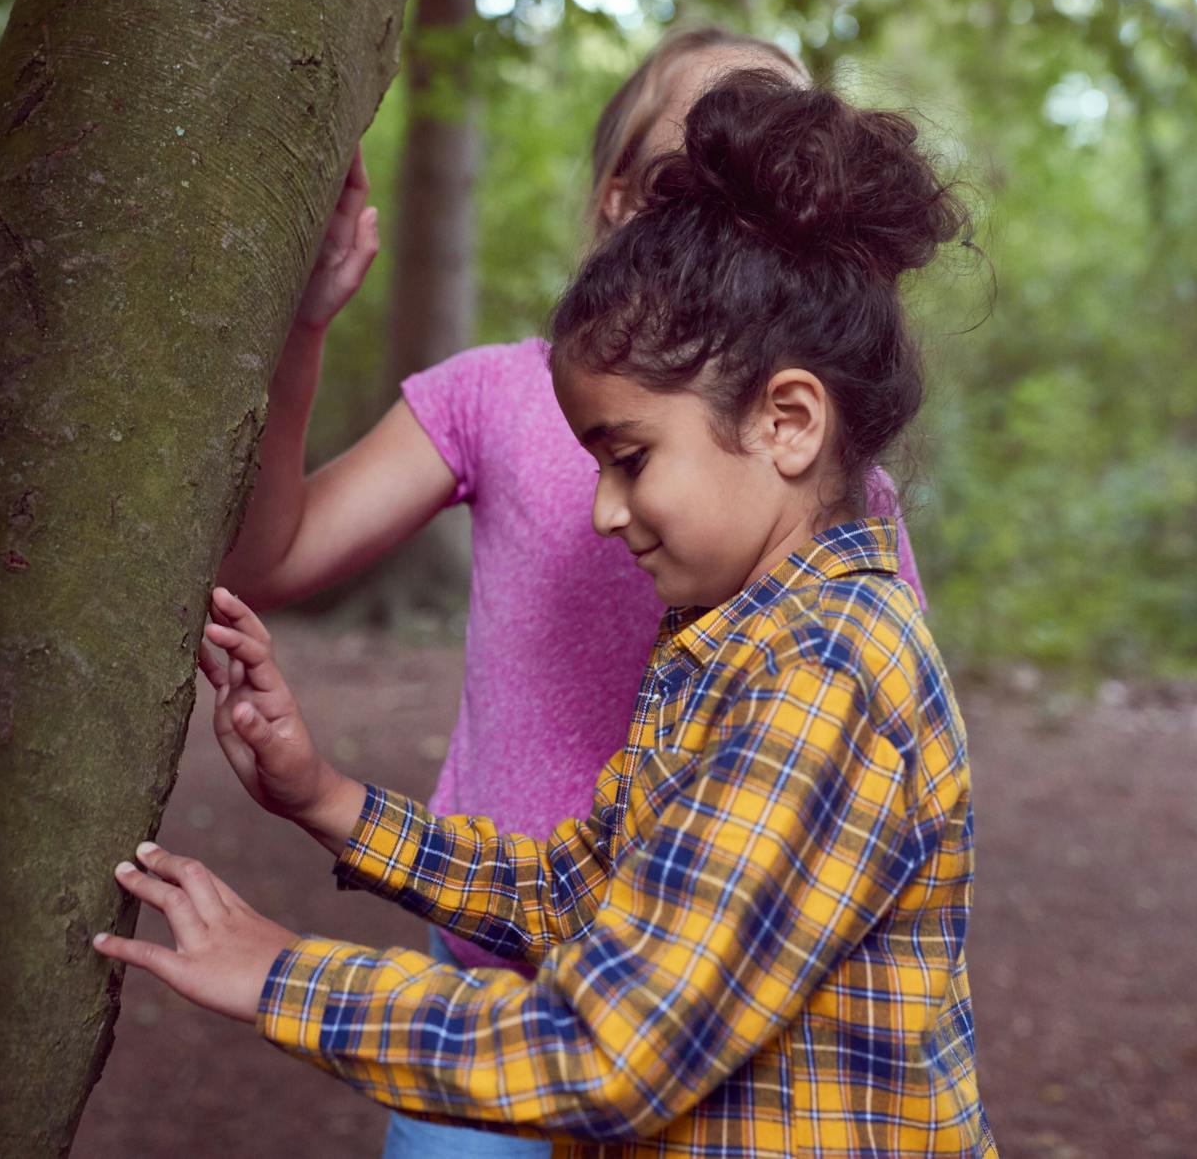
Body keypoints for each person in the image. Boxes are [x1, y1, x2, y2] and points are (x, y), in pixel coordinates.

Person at [96, 67, 994, 1157]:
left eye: (630, 459)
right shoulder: (734, 642)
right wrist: (326, 799)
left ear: (788, 421)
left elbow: (609, 1050)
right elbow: (582, 892)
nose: (605, 511)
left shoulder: (821, 675)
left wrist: (281, 972)